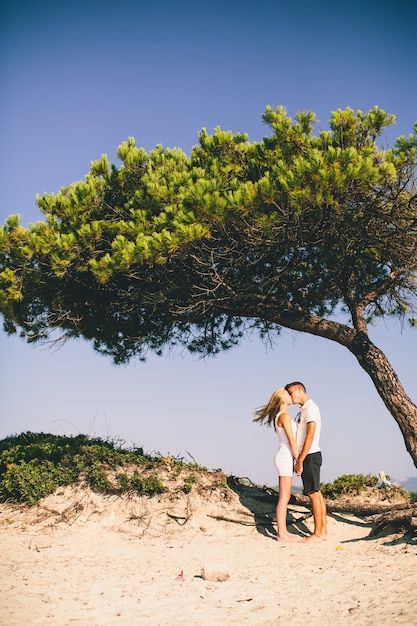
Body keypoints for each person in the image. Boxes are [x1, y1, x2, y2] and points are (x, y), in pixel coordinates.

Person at [253, 388, 300, 542]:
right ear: (283, 400)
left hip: (285, 455)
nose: (291, 396)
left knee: (284, 496)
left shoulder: (283, 416)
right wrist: (299, 461)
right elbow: (292, 442)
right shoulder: (284, 416)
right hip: (285, 456)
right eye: (288, 394)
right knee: (284, 497)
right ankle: (282, 533)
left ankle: (282, 532)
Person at [285, 381, 328, 543]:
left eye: (291, 393)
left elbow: (310, 435)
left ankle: (317, 534)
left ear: (299, 390)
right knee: (316, 493)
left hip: (310, 454)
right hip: (310, 454)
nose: (291, 396)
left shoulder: (311, 408)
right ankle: (323, 531)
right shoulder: (304, 410)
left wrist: (300, 460)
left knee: (313, 493)